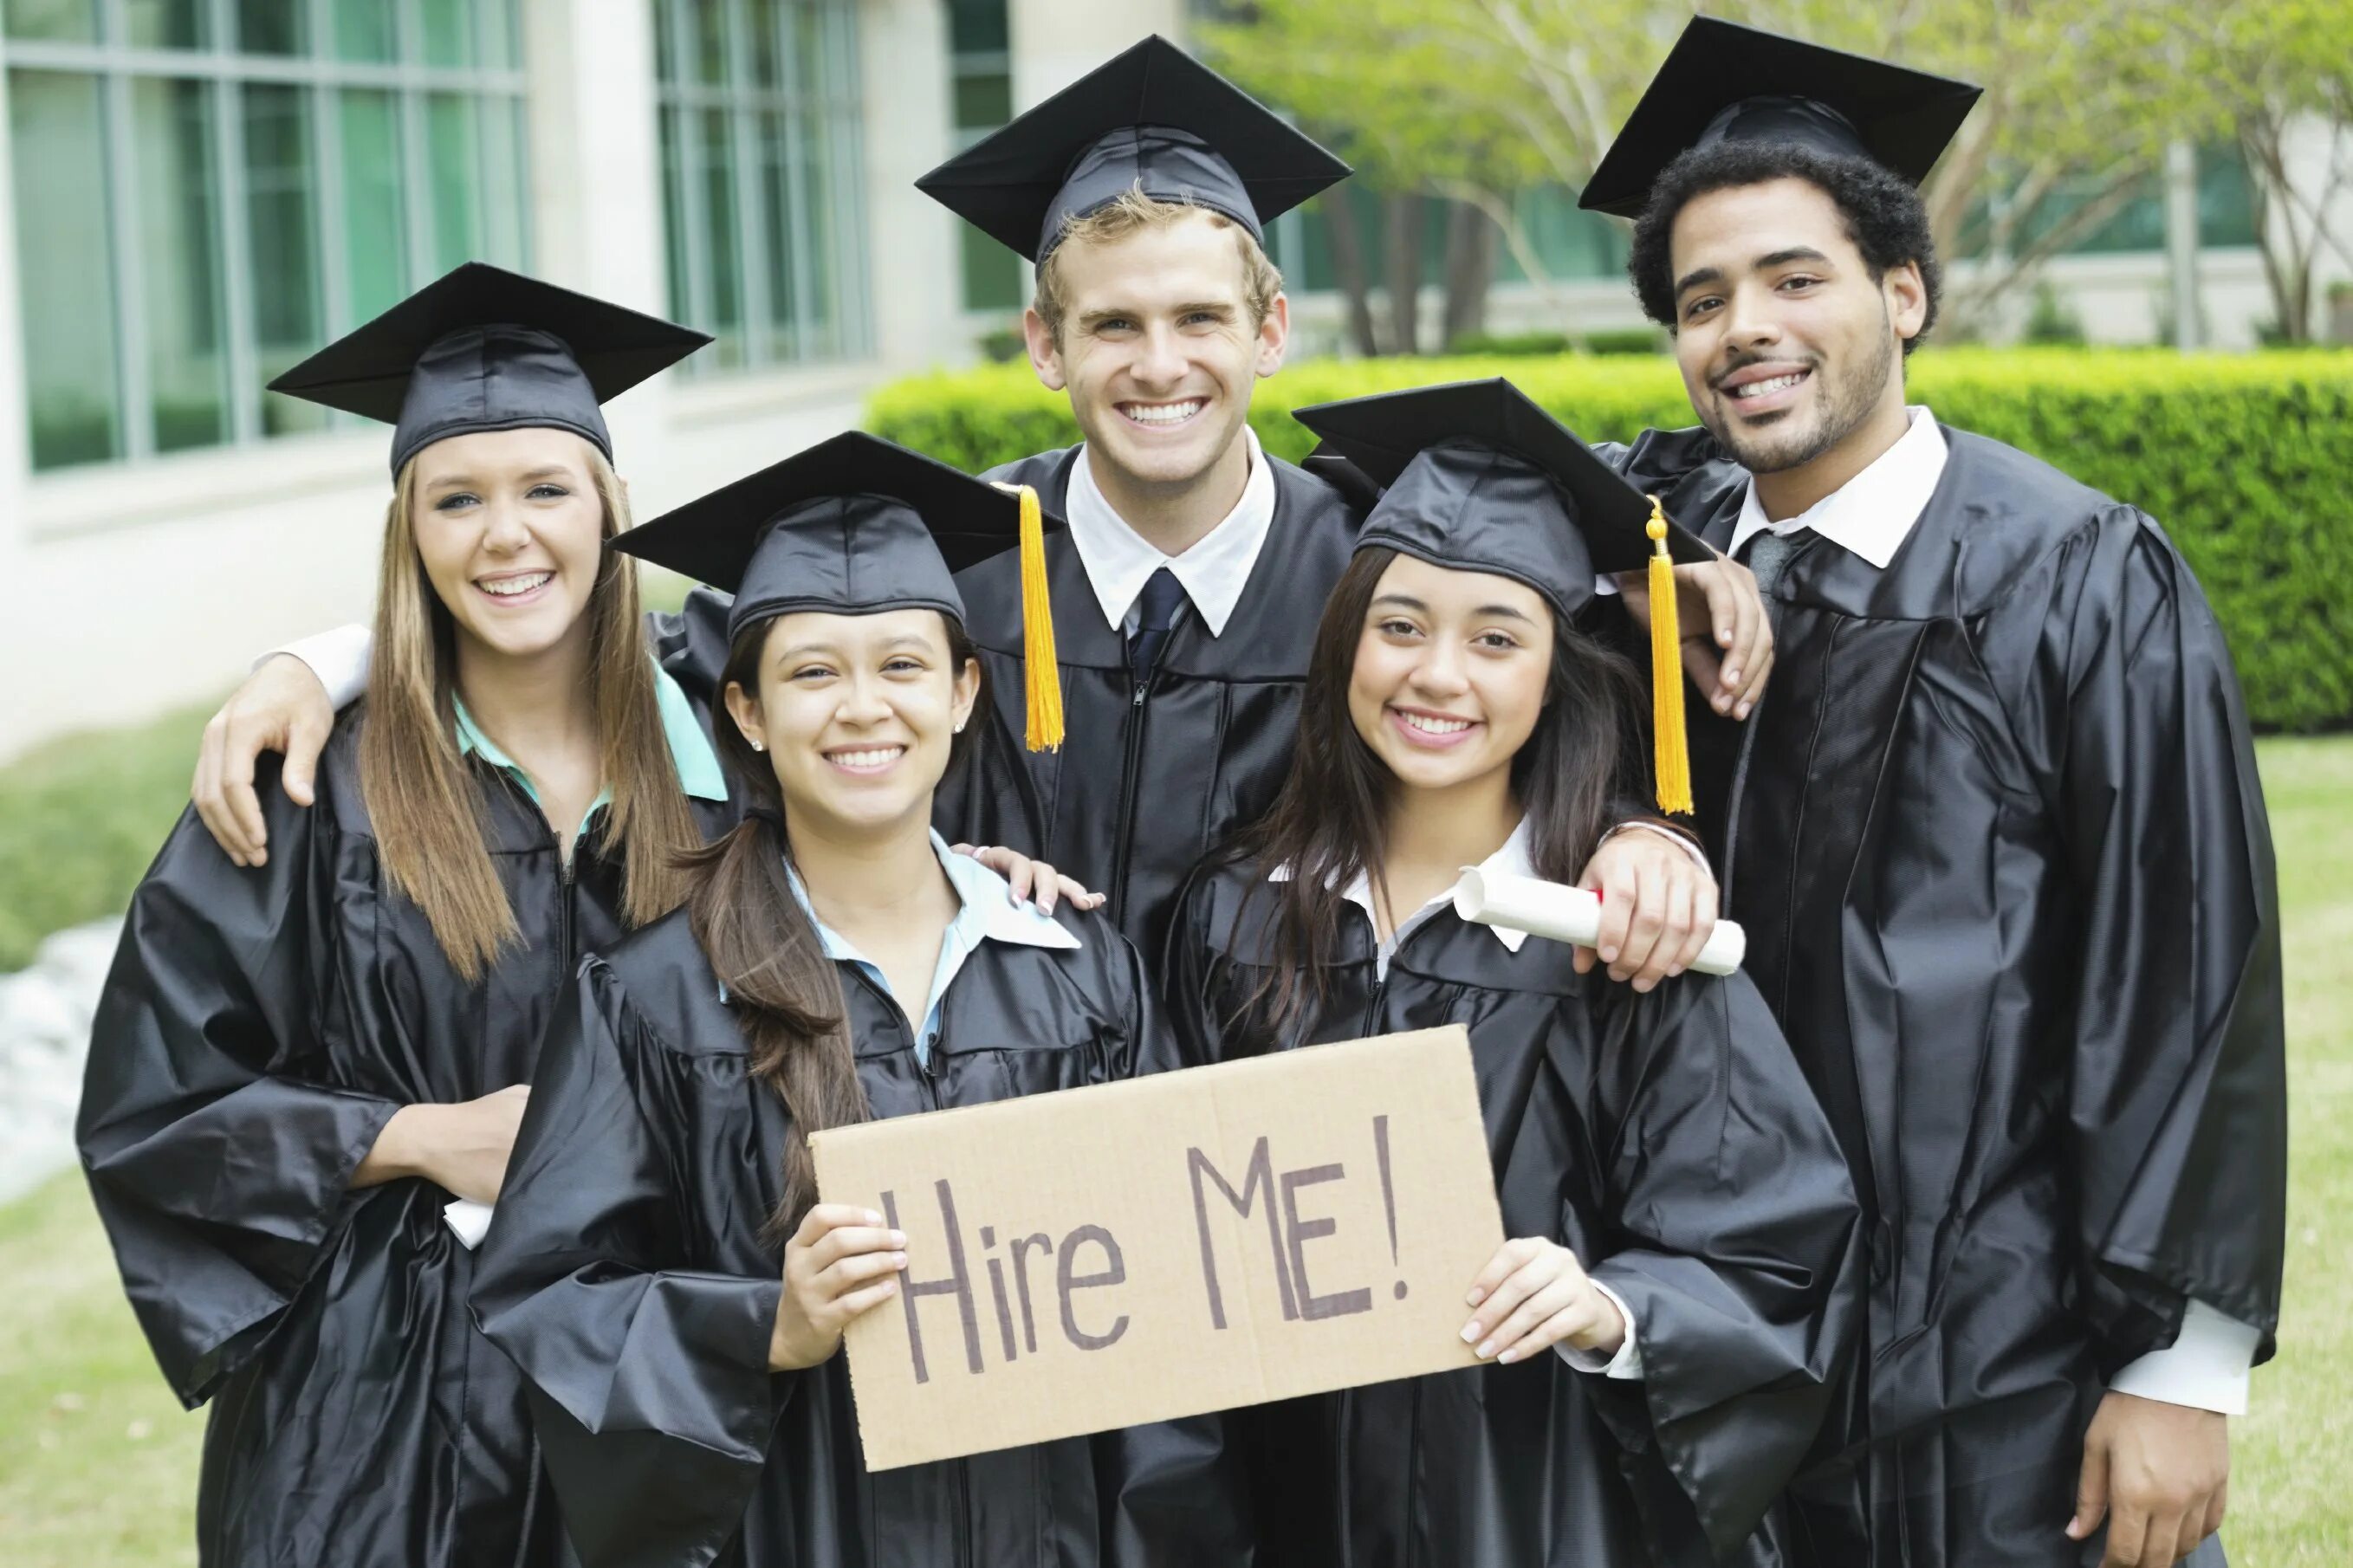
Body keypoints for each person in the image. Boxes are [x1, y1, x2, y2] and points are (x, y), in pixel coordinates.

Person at [187, 37, 1731, 1002]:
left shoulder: (1383, 572)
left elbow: (1589, 678)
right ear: (1045, 349)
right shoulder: (931, 563)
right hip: (996, 1157)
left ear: (1271, 329)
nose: (1159, 364)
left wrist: (1656, 825)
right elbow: (616, 651)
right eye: (1111, 327)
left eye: (1200, 318)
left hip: (1299, 1164)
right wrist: (323, 657)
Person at [1576, 18, 2290, 1568]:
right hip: (1727, 1346)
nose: (1744, 329)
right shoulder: (1643, 556)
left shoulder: (2080, 573)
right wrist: (1629, 581)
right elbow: (1400, 514)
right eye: (1703, 303)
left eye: (1793, 277)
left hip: (2009, 1372)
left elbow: (2184, 962)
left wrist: (2180, 1370)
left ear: (1906, 295)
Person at [470, 432, 1241, 1568]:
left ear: (967, 690)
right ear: (745, 710)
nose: (862, 708)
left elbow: (1178, 1328)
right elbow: (545, 1302)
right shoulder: (654, 999)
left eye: (902, 665)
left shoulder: (1081, 971)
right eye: (813, 672)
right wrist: (759, 1327)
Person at [75, 263, 732, 1568]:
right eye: (458, 499)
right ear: (409, 530)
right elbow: (157, 1111)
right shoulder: (315, 788)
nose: (507, 535)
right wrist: (420, 1135)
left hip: (668, 1363)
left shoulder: (725, 736)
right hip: (382, 1409)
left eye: (547, 488)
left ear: (608, 507)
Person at [1164, 378, 1860, 1566]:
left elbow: (1773, 1242)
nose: (1439, 674)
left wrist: (1612, 1306)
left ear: (1553, 675)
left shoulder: (1625, 938)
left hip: (1559, 1514)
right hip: (1290, 1509)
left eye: (1496, 637)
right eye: (1400, 626)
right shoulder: (1232, 912)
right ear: (1343, 646)